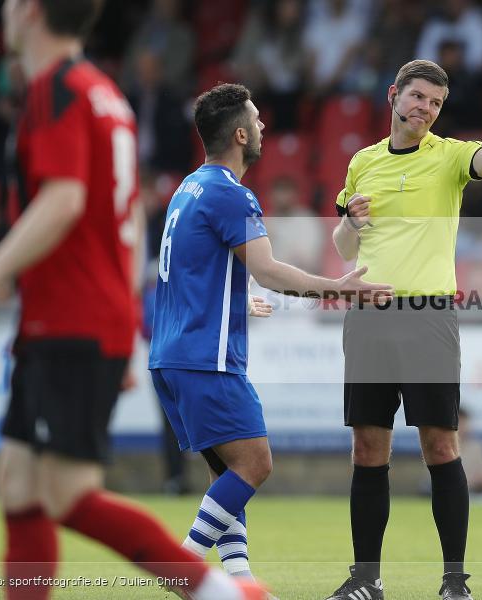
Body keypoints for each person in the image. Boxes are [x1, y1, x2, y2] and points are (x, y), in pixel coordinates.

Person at [0, 2, 264, 599]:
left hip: (69, 321)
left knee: (65, 494)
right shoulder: (105, 95)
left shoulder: (60, 91)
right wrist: (124, 321)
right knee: (18, 483)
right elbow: (126, 225)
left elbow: (64, 200)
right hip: (74, 318)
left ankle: (219, 591)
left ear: (29, 11)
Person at [326, 59, 482, 600]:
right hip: (369, 316)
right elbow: (343, 247)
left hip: (428, 316)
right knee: (367, 448)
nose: (425, 110)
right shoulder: (362, 162)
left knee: (441, 446)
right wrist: (350, 223)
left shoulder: (449, 157)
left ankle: (453, 583)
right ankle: (366, 581)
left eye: (436, 104)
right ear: (394, 95)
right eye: (418, 98)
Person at [149, 82, 392, 589]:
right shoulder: (229, 193)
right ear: (240, 133)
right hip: (205, 358)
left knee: (228, 473)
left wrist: (235, 301)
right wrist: (338, 288)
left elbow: (188, 270)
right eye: (257, 121)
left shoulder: (187, 188)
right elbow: (270, 270)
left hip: (172, 353)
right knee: (255, 463)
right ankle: (182, 569)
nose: (263, 127)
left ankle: (240, 581)